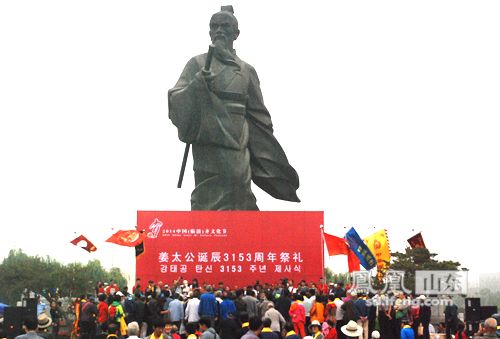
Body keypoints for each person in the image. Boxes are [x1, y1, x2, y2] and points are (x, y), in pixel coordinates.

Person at [168, 5, 300, 210]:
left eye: (225, 26)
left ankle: (243, 234)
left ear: (236, 33)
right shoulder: (197, 63)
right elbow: (176, 97)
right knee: (207, 195)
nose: (219, 30)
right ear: (210, 32)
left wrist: (265, 143)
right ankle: (207, 235)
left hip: (237, 137)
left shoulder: (247, 71)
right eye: (215, 26)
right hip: (208, 138)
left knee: (238, 184)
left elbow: (258, 113)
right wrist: (197, 85)